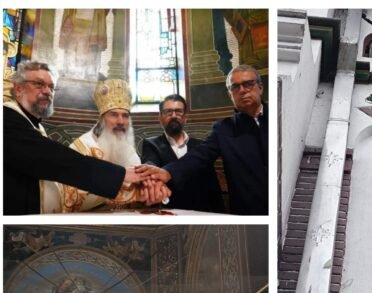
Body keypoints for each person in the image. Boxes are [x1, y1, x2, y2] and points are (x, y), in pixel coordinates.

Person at [3, 61, 154, 215]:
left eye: (51, 87)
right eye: (39, 84)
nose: (48, 91)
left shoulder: (34, 126)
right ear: (18, 88)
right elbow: (52, 159)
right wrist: (121, 176)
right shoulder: (6, 118)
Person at [136, 64, 267, 215]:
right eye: (235, 87)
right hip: (248, 212)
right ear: (230, 94)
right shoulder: (223, 129)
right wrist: (167, 172)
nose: (242, 90)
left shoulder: (278, 113)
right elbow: (199, 157)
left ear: (260, 87)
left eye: (248, 84)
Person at [42, 79, 146, 212]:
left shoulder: (130, 152)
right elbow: (69, 196)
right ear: (102, 119)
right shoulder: (81, 148)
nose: (121, 121)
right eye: (113, 115)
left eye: (125, 116)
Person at [140, 95, 225, 212]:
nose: (174, 116)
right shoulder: (151, 144)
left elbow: (212, 186)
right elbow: (150, 165)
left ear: (185, 117)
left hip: (201, 213)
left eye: (178, 112)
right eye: (168, 112)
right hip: (170, 211)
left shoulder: (201, 147)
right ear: (160, 117)